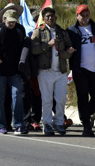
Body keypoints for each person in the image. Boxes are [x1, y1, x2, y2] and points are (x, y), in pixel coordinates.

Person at [31, 7, 75, 136]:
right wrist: (47, 45)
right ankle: (48, 124)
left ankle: (59, 123)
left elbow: (68, 49)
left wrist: (67, 53)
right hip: (45, 71)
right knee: (47, 100)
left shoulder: (61, 32)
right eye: (47, 16)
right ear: (43, 19)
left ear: (55, 17)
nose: (50, 18)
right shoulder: (39, 32)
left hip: (60, 71)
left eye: (52, 16)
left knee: (61, 99)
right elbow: (34, 49)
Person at [68, 5, 95, 136]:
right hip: (80, 69)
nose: (84, 18)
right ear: (76, 16)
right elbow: (67, 46)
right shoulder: (72, 30)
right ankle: (86, 125)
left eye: (87, 15)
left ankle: (85, 114)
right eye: (81, 15)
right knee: (82, 97)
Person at [0, 8, 30, 135]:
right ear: (4, 20)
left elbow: (24, 47)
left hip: (15, 71)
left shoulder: (19, 32)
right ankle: (2, 125)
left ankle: (19, 124)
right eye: (9, 22)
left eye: (14, 22)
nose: (12, 24)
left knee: (17, 96)